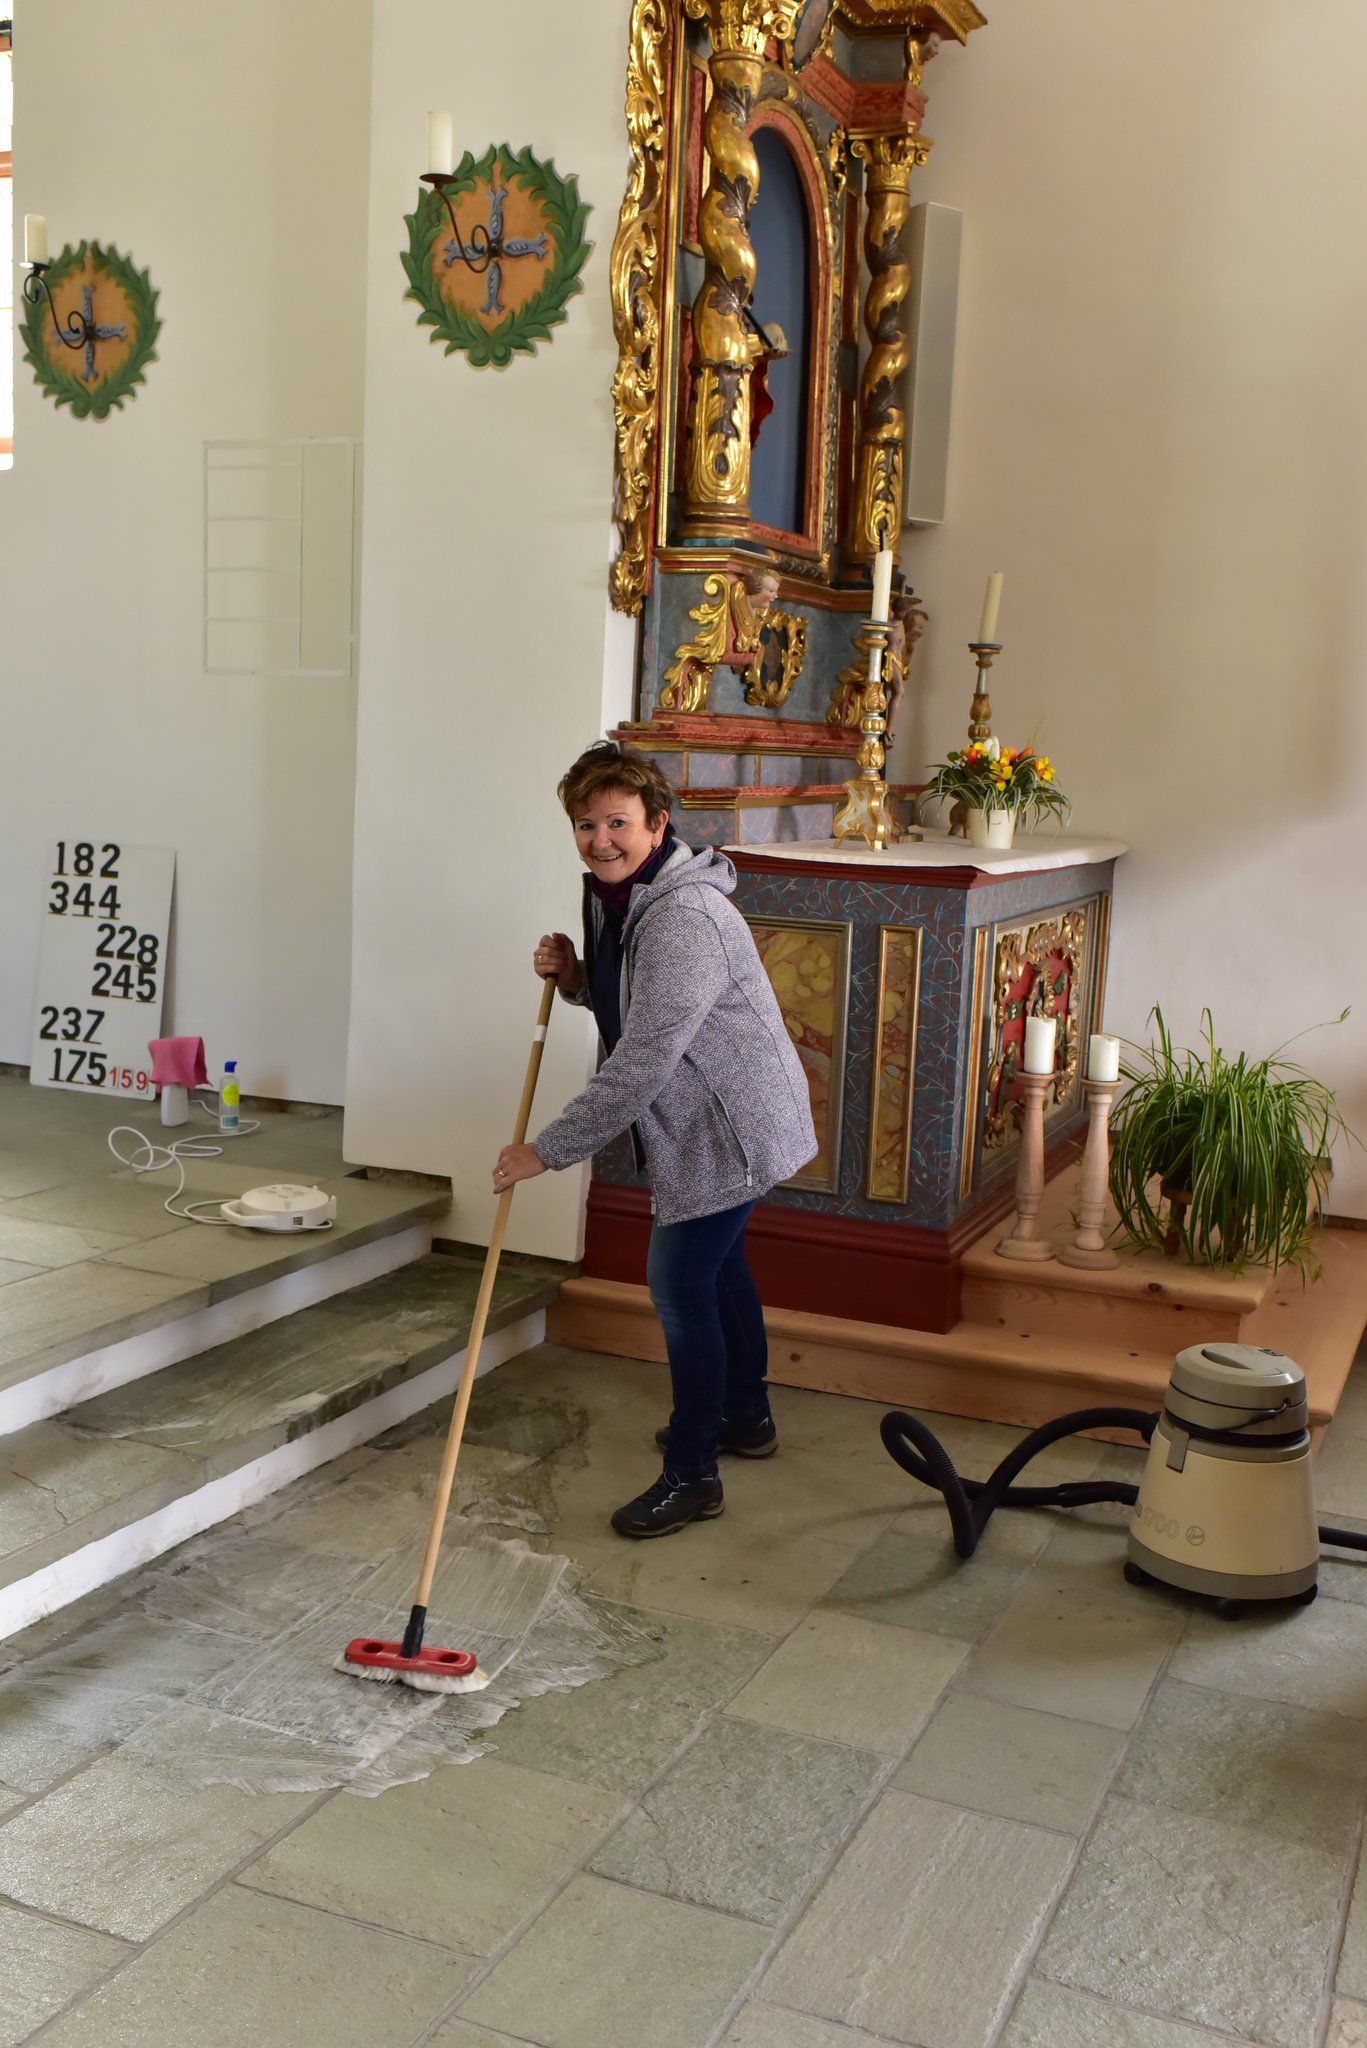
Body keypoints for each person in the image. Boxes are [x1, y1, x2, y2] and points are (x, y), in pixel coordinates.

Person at [492, 741, 817, 1538]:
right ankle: (745, 1418)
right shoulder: (624, 897)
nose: (600, 839)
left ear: (657, 823)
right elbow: (631, 1003)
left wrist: (545, 1150)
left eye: (617, 823)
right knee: (718, 1270)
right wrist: (577, 978)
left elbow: (641, 1061)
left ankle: (693, 1475)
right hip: (723, 1117)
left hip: (731, 1128)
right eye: (585, 824)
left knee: (678, 1286)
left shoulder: (682, 916)